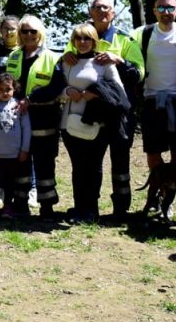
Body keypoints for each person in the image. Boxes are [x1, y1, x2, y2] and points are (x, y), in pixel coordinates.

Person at [62, 0, 144, 221]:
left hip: (118, 111)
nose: (101, 11)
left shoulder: (125, 40)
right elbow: (70, 66)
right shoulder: (80, 35)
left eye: (106, 7)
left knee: (119, 159)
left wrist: (119, 60)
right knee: (85, 164)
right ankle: (87, 207)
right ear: (90, 11)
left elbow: (138, 74)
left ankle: (120, 209)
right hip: (84, 113)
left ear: (113, 12)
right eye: (96, 7)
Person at [38, 23, 129, 224]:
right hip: (70, 124)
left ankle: (92, 210)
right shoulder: (67, 62)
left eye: (87, 38)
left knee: (94, 167)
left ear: (94, 40)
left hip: (98, 124)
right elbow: (57, 87)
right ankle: (79, 208)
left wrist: (95, 93)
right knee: (78, 167)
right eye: (78, 38)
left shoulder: (104, 63)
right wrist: (66, 92)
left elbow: (118, 90)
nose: (82, 42)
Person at [137, 0, 176, 172]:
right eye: (162, 8)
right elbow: (118, 44)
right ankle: (159, 191)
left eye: (170, 8)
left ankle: (172, 191)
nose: (166, 12)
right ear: (154, 11)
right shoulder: (144, 33)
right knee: (153, 152)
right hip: (152, 102)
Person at [8, 15, 61, 217]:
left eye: (33, 31)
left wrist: (30, 99)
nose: (29, 35)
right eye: (24, 31)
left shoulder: (53, 57)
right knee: (20, 161)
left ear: (40, 33)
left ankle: (47, 205)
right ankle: (20, 202)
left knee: (44, 162)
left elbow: (56, 87)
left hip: (44, 117)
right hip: (17, 118)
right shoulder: (13, 56)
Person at [0, 73, 31, 220]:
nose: (4, 93)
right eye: (1, 89)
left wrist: (24, 149)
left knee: (10, 181)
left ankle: (7, 207)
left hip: (13, 153)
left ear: (14, 89)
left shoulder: (19, 107)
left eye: (8, 89)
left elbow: (26, 128)